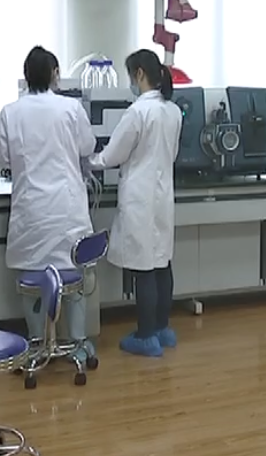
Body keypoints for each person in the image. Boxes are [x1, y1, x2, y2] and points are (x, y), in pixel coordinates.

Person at [0, 46, 97, 359]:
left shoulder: (10, 113)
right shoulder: (71, 108)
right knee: (74, 276)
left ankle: (37, 342)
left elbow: (3, 159)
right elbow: (88, 146)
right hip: (67, 211)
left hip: (31, 213)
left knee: (34, 279)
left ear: (26, 76)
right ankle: (77, 344)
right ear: (55, 74)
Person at [89, 49, 182, 357]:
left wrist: (87, 161)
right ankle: (162, 329)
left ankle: (145, 336)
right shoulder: (172, 111)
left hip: (140, 198)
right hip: (162, 197)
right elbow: (171, 154)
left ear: (139, 74)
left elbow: (112, 155)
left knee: (144, 267)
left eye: (131, 75)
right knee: (161, 262)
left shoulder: (138, 112)